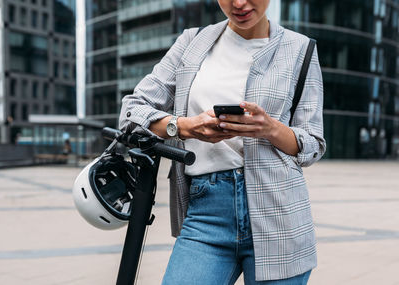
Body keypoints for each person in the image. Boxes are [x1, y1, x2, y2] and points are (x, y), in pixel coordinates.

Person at [119, 0, 326, 283]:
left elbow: (312, 144)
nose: (239, 3)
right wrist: (183, 127)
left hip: (279, 216)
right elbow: (132, 110)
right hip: (206, 212)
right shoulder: (192, 42)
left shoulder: (300, 49)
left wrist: (270, 128)